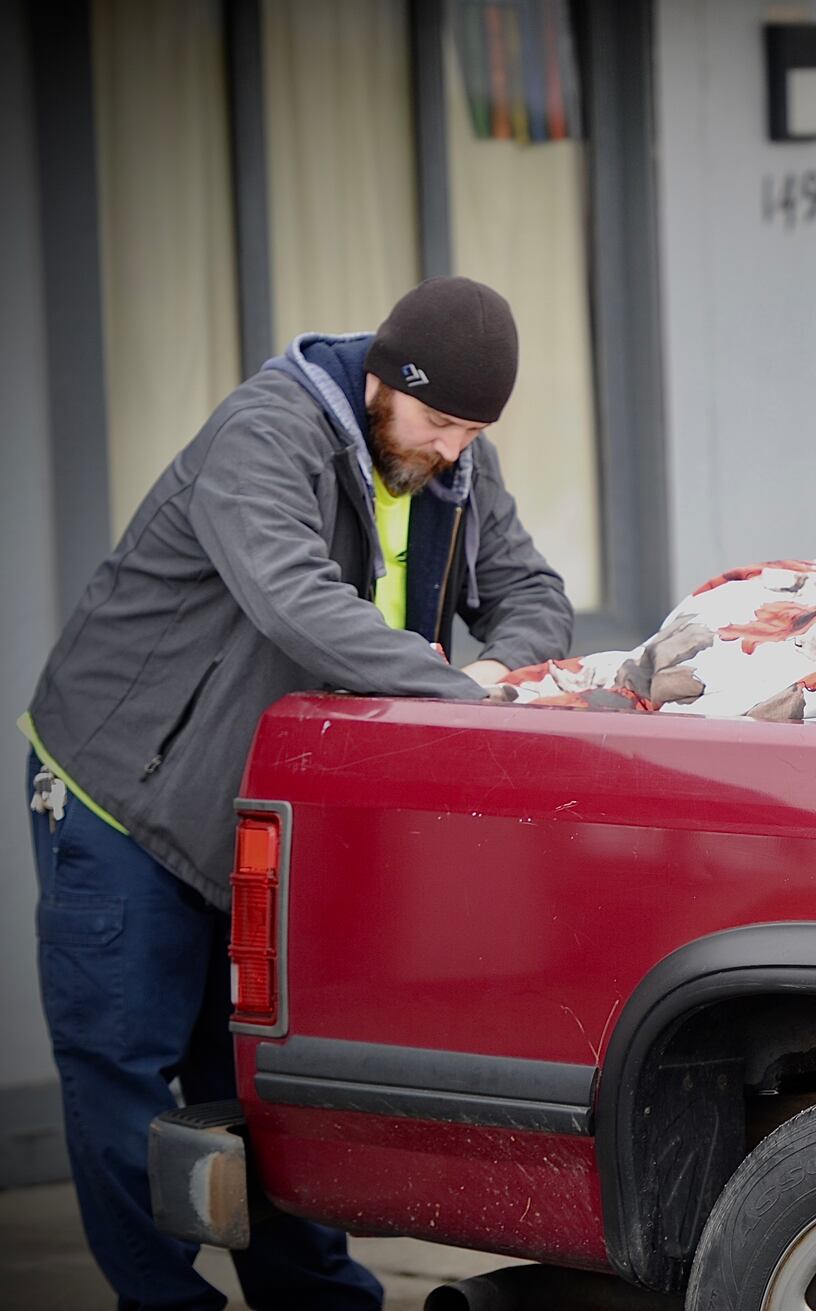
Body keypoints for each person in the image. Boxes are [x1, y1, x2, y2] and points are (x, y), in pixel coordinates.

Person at [21, 275, 573, 1310]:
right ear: (381, 382)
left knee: (259, 1087)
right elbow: (296, 601)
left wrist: (509, 676)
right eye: (441, 420)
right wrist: (462, 691)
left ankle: (320, 1303)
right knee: (125, 1082)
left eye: (475, 430)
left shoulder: (452, 460)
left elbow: (532, 591)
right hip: (125, 801)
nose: (455, 448)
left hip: (263, 818)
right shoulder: (266, 433)